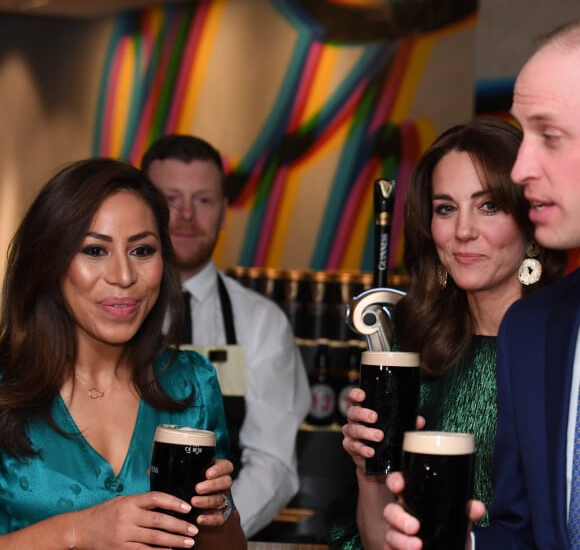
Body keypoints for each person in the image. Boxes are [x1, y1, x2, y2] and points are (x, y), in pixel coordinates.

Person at [383, 20, 580, 550]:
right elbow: (527, 529)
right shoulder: (537, 330)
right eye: (446, 209)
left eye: (551, 136)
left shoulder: (534, 328)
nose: (522, 168)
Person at [332, 116, 567, 550]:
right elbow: (381, 541)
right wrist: (369, 468)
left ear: (530, 215)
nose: (463, 231)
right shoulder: (409, 348)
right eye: (446, 208)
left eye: (489, 205)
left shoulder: (565, 349)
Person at [0, 157, 246, 549]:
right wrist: (79, 531)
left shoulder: (191, 383)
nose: (124, 276)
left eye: (142, 250)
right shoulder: (7, 388)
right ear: (50, 260)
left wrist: (219, 513)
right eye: (95, 250)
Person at [141, 134, 311, 538]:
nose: (184, 216)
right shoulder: (108, 315)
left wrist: (208, 537)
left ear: (222, 214)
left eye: (202, 201)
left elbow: (273, 463)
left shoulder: (262, 323)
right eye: (170, 199)